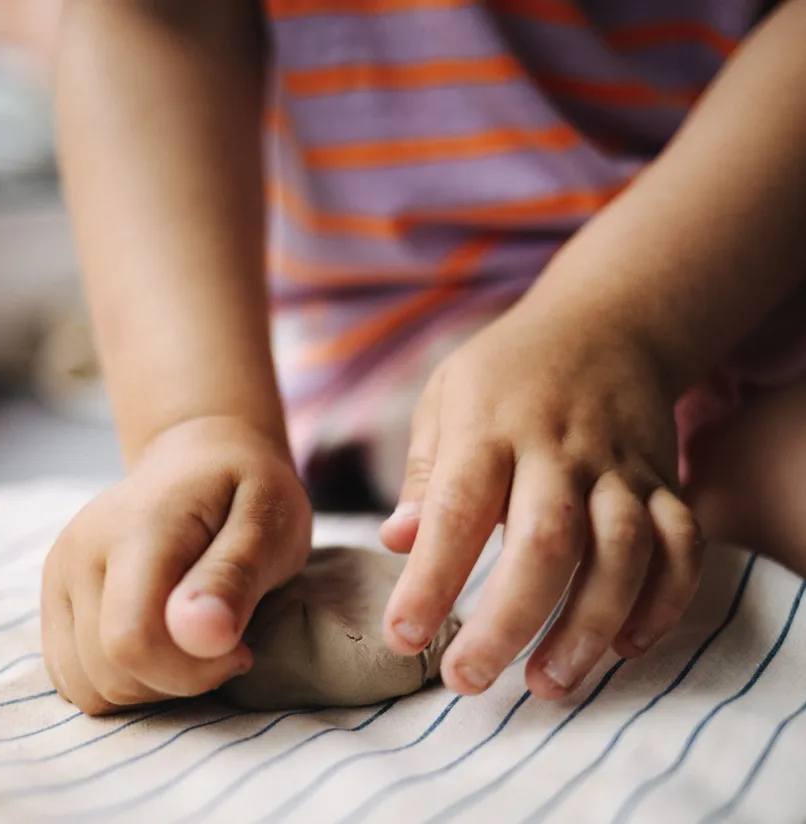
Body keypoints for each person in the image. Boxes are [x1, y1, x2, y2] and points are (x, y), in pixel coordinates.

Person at [40, 0, 806, 716]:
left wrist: (620, 325)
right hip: (388, 350)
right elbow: (158, 20)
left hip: (728, 268)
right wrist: (194, 423)